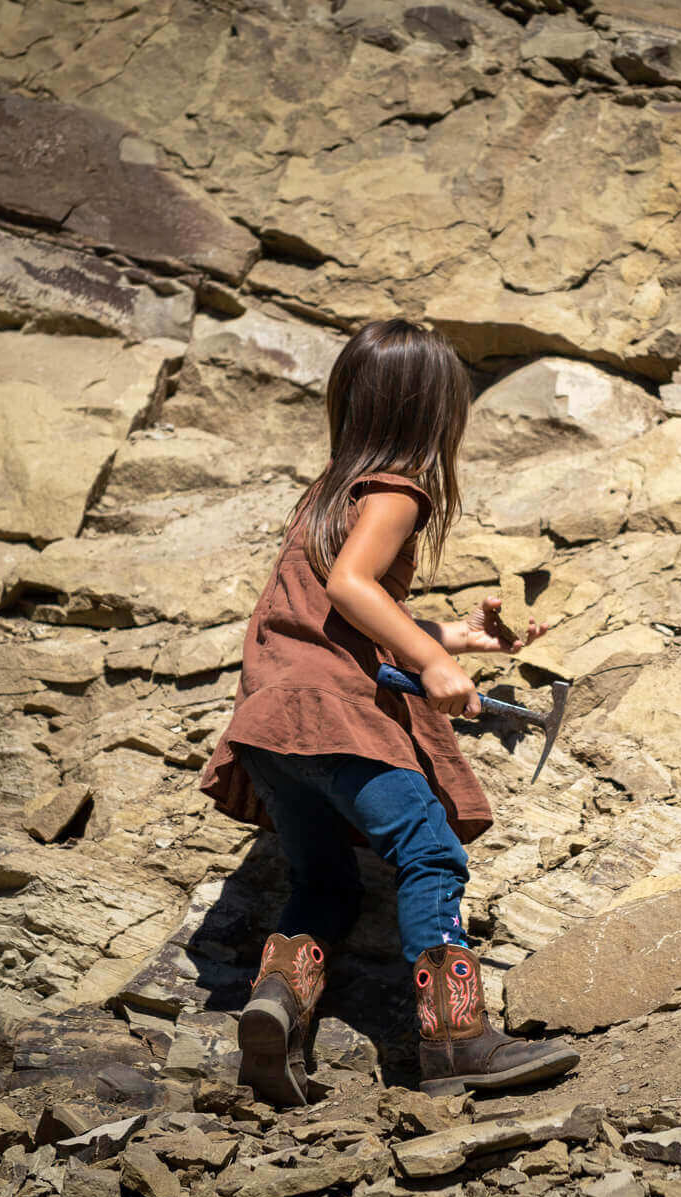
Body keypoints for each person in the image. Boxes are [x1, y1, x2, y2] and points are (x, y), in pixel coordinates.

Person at [196, 318, 580, 1106]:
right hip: (335, 720)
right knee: (429, 855)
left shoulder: (329, 493)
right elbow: (352, 589)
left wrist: (451, 637)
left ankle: (277, 1005)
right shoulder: (399, 490)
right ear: (435, 410)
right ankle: (456, 1042)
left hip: (274, 724)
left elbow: (328, 618)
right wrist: (433, 664)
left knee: (324, 883)